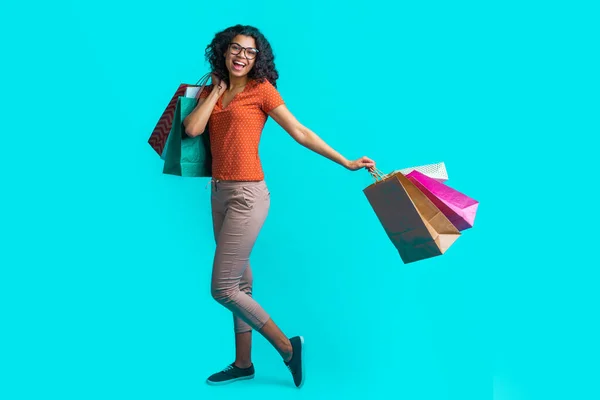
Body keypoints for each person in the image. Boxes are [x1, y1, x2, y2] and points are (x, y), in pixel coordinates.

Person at [183, 24, 376, 389]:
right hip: (218, 193)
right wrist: (216, 92)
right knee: (241, 282)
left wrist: (347, 162)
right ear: (223, 52)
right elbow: (192, 129)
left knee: (223, 288)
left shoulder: (261, 91)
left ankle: (288, 347)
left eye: (250, 52)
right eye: (235, 49)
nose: (242, 56)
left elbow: (300, 132)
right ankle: (243, 364)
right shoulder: (214, 90)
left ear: (258, 58)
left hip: (247, 196)